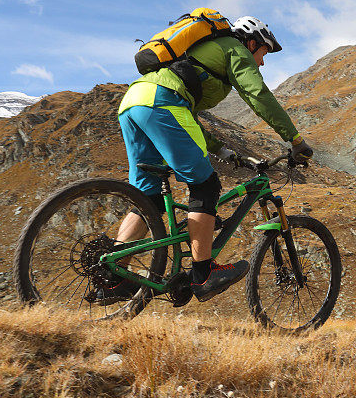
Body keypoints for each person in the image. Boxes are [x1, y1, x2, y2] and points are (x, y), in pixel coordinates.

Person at [100, 16, 313, 304]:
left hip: (134, 102)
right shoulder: (233, 48)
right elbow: (257, 94)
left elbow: (187, 116)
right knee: (206, 185)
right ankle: (203, 273)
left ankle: (114, 278)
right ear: (251, 43)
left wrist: (222, 150)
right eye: (262, 54)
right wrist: (295, 139)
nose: (261, 63)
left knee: (147, 196)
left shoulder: (201, 55)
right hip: (161, 101)